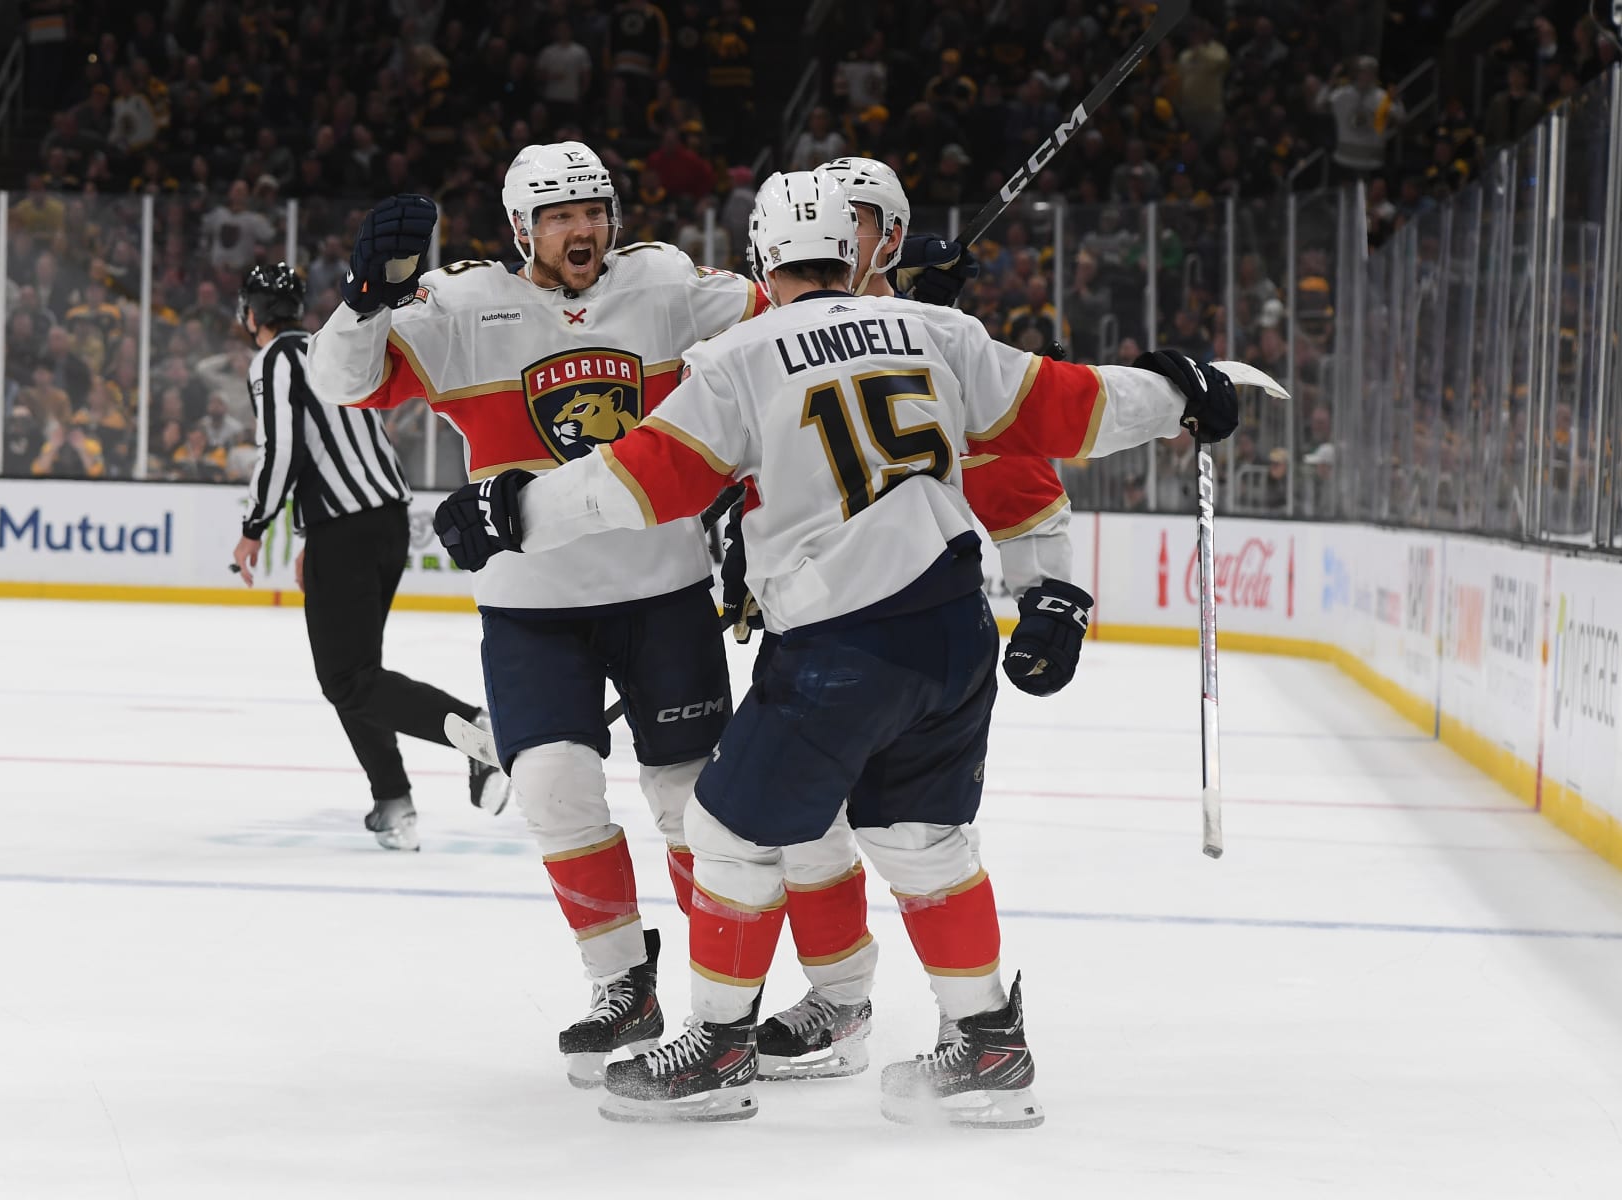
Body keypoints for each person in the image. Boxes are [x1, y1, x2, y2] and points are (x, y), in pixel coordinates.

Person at [433, 169, 1238, 1125]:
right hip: (955, 633)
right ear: (856, 252)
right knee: (923, 840)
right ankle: (987, 1046)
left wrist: (513, 508)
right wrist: (1179, 390)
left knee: (727, 833)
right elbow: (1073, 407)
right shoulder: (942, 332)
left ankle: (720, 1051)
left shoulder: (738, 355)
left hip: (840, 644)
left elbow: (644, 482)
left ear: (765, 260)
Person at [306, 143, 770, 1087]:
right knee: (557, 793)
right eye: (560, 215)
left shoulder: (669, 283)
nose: (583, 229)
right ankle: (620, 986)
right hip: (530, 608)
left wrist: (885, 283)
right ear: (523, 229)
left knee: (689, 807)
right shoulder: (464, 305)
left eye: (594, 208)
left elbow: (794, 315)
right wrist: (362, 296)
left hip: (664, 592)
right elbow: (340, 382)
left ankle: (728, 1005)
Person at [702, 155, 1094, 1082]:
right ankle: (844, 1004)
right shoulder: (764, 327)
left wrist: (1054, 591)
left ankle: (937, 1028)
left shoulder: (935, 344)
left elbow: (1024, 484)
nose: (855, 231)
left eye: (870, 216)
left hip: (895, 631)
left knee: (889, 835)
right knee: (808, 833)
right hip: (811, 625)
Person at [228, 263, 508, 852]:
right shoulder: (330, 348)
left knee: (348, 678)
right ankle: (392, 799)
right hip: (385, 523)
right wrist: (310, 535)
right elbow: (342, 445)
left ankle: (475, 732)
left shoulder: (275, 359)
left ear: (251, 312)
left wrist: (255, 527)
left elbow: (283, 451)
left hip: (346, 531)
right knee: (358, 674)